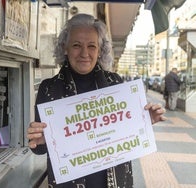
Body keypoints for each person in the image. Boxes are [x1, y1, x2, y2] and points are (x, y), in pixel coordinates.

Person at [27, 14, 166, 188]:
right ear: (65, 48)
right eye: (76, 45)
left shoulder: (114, 83)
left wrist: (145, 121)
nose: (84, 53)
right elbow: (39, 148)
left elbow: (126, 133)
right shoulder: (49, 88)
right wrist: (39, 140)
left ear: (99, 50)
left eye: (91, 46)